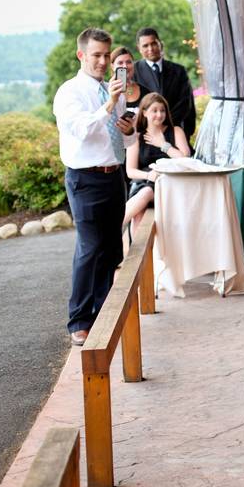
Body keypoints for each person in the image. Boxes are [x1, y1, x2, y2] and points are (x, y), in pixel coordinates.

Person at [53, 28, 137, 346]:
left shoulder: (111, 90)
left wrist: (128, 127)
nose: (103, 61)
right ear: (81, 55)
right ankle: (78, 319)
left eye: (106, 55)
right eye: (97, 55)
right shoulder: (69, 92)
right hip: (84, 179)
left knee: (111, 249)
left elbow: (122, 139)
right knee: (89, 248)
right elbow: (81, 131)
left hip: (113, 175)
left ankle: (102, 313)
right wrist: (110, 104)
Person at [123, 93, 191, 230]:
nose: (159, 115)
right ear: (144, 112)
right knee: (138, 217)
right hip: (144, 183)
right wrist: (149, 176)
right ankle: (135, 249)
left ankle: (112, 229)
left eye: (162, 110)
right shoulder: (136, 136)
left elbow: (186, 161)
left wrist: (163, 145)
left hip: (170, 184)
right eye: (154, 110)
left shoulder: (176, 131)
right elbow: (130, 171)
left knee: (147, 192)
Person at [133, 27, 195, 141]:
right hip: (145, 135)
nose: (150, 49)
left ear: (160, 44)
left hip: (175, 131)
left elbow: (185, 103)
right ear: (139, 49)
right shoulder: (132, 72)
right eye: (145, 46)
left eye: (154, 44)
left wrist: (165, 125)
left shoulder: (179, 71)